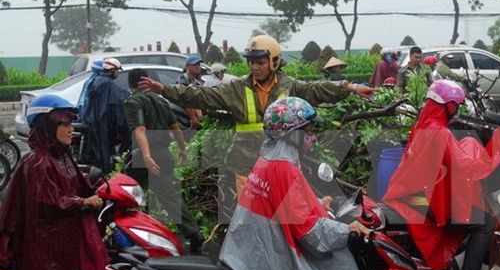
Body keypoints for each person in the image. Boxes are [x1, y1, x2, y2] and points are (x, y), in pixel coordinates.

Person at [139, 35, 376, 195]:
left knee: (285, 219)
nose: (254, 67)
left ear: (273, 61)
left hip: (283, 166)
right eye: (251, 62)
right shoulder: (235, 89)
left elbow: (316, 90)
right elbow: (199, 96)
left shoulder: (289, 86)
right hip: (246, 167)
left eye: (260, 62)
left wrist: (350, 87)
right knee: (252, 219)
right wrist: (165, 90)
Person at [219, 96, 368, 270]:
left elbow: (283, 204)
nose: (312, 137)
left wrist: (317, 203)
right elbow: (307, 231)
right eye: (307, 131)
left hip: (249, 255)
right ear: (292, 134)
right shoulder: (283, 167)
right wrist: (346, 230)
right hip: (273, 265)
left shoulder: (268, 159)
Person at [382, 80, 500, 270]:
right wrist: (494, 156)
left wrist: (469, 144)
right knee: (485, 223)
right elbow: (464, 166)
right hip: (424, 201)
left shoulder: (421, 127)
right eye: (456, 106)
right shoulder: (440, 133)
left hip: (409, 195)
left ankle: (452, 269)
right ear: (449, 106)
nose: (457, 111)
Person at [0, 95, 110, 270]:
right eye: (64, 124)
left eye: (71, 124)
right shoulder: (37, 161)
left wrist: (100, 186)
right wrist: (83, 201)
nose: (71, 129)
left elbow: (76, 184)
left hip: (60, 240)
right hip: (46, 247)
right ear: (46, 126)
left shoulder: (60, 156)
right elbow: (48, 200)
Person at [124, 68, 204, 253]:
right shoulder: (160, 101)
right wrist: (183, 149)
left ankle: (127, 230)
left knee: (126, 192)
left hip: (146, 155)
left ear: (130, 84)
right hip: (165, 153)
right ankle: (193, 232)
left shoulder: (134, 102)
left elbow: (140, 130)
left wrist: (146, 157)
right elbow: (175, 127)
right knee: (169, 195)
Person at [82, 57, 130, 172]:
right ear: (112, 70)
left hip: (92, 122)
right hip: (102, 124)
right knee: (103, 157)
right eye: (118, 70)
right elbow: (119, 101)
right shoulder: (108, 85)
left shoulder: (95, 81)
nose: (118, 73)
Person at [177, 55, 205, 129]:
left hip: (190, 118)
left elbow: (197, 102)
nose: (197, 67)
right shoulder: (182, 80)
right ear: (187, 66)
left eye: (198, 65)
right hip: (180, 118)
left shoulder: (198, 83)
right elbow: (185, 100)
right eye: (194, 65)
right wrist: (194, 119)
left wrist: (200, 117)